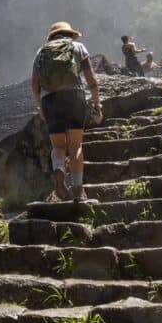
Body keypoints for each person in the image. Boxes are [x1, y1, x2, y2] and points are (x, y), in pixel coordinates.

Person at [32, 22, 103, 202]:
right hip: (74, 97)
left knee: (58, 146)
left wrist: (41, 108)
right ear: (69, 34)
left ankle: (59, 171)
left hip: (50, 101)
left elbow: (35, 86)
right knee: (75, 146)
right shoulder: (78, 46)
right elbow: (91, 79)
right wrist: (97, 105)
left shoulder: (41, 51)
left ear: (53, 36)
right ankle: (78, 189)